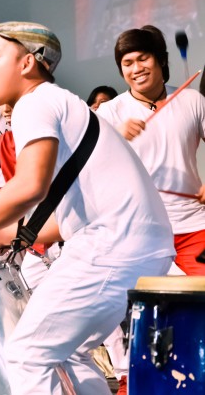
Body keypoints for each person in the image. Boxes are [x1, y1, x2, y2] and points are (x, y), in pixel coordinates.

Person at [0, 21, 175, 395]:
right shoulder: (60, 105)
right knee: (66, 355)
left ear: (27, 64)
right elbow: (50, 224)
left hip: (112, 246)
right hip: (134, 247)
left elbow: (29, 186)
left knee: (25, 355)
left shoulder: (35, 101)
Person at [95, 24, 205, 395]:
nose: (135, 67)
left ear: (161, 61)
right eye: (127, 62)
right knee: (128, 316)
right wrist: (114, 141)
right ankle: (132, 383)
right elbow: (89, 172)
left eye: (143, 58)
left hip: (192, 226)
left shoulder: (191, 101)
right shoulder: (108, 114)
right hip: (137, 231)